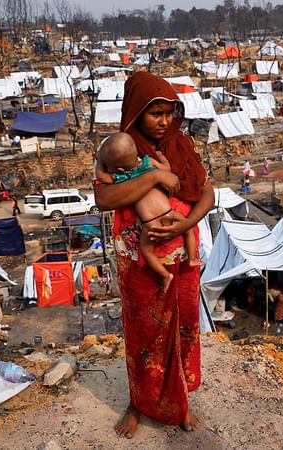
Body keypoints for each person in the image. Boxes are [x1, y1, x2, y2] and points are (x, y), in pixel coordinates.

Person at [93, 71, 214, 438]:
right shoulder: (118, 148)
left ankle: (180, 403)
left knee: (183, 328)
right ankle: (138, 403)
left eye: (168, 112)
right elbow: (104, 199)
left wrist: (185, 223)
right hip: (139, 256)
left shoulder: (181, 146)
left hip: (182, 250)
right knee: (145, 332)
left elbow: (207, 193)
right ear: (135, 112)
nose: (163, 122)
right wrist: (154, 178)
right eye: (154, 114)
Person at [96, 132, 203, 294]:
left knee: (146, 251)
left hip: (151, 224)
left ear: (117, 168)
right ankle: (193, 259)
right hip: (170, 213)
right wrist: (161, 157)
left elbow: (102, 177)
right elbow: (166, 169)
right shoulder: (147, 162)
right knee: (188, 229)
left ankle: (164, 275)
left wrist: (100, 162)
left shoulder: (121, 177)